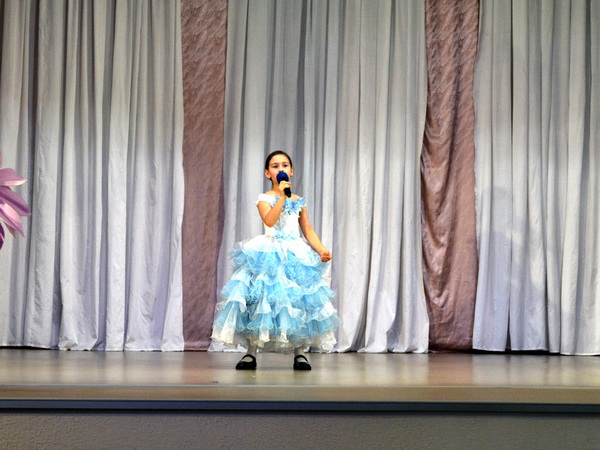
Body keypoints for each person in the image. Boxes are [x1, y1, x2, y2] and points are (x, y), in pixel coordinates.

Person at [211, 151, 340, 370]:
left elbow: (307, 229)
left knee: (298, 302)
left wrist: (321, 249)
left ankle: (300, 353)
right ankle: (251, 352)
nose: (280, 169)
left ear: (291, 171)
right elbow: (270, 220)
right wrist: (281, 196)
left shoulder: (298, 201)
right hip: (269, 253)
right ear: (267, 173)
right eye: (275, 166)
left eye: (284, 165)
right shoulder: (264, 199)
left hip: (295, 254)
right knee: (261, 302)